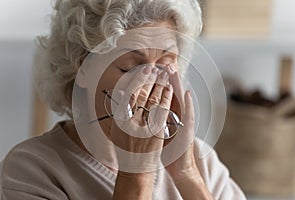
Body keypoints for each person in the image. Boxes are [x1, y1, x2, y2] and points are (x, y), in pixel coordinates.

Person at [0, 0, 246, 199]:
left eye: (165, 64)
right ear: (82, 66)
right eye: (130, 67)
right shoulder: (32, 170)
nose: (150, 84)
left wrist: (187, 175)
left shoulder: (200, 161)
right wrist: (136, 175)